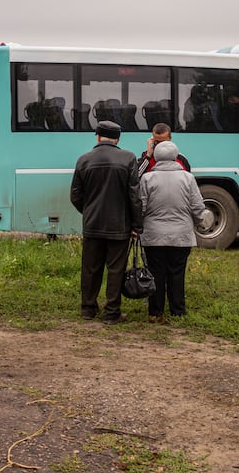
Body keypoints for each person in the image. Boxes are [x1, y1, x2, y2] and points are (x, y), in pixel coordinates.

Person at [70, 120, 142, 325]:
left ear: (98, 136)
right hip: (119, 225)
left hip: (92, 224)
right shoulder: (128, 158)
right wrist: (136, 224)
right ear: (118, 138)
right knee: (115, 269)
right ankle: (112, 312)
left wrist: (88, 211)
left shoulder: (83, 160)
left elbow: (75, 195)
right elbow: (134, 195)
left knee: (90, 268)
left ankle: (88, 309)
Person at [138, 141, 208, 321]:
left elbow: (141, 207)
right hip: (181, 236)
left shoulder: (147, 179)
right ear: (176, 157)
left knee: (156, 272)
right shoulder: (187, 178)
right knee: (177, 272)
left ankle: (155, 312)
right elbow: (197, 206)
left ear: (156, 157)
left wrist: (136, 226)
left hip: (153, 236)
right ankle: (177, 310)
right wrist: (200, 222)